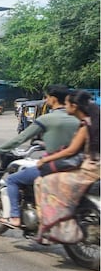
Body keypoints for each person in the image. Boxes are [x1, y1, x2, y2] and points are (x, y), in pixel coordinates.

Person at [0, 85, 79, 228]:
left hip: (54, 165)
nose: (45, 100)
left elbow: (21, 138)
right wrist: (46, 143)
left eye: (47, 97)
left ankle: (15, 217)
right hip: (76, 165)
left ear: (53, 99)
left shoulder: (47, 119)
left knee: (12, 180)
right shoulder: (77, 118)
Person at [34, 90, 100, 243]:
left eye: (67, 104)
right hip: (95, 168)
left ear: (74, 106)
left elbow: (71, 150)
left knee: (44, 182)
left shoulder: (85, 125)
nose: (65, 106)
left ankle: (56, 227)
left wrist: (46, 160)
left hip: (90, 171)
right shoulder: (95, 122)